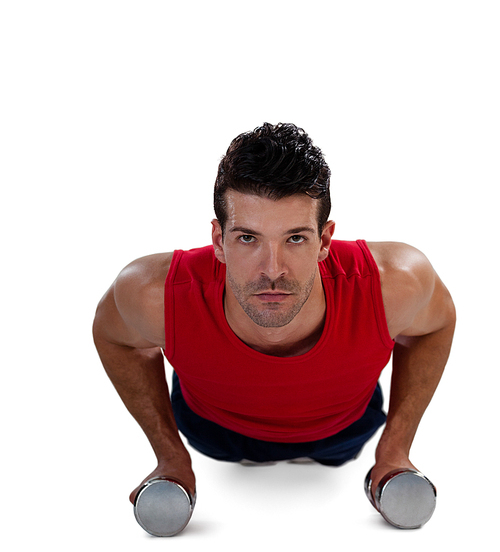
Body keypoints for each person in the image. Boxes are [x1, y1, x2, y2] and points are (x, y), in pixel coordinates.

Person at [92, 123, 455, 516]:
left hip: (344, 433)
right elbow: (115, 338)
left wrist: (395, 447)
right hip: (211, 432)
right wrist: (169, 454)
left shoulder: (394, 282)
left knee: (339, 446)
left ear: (325, 241)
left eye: (295, 238)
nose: (273, 270)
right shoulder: (153, 292)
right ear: (218, 241)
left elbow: (435, 326)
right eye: (248, 238)